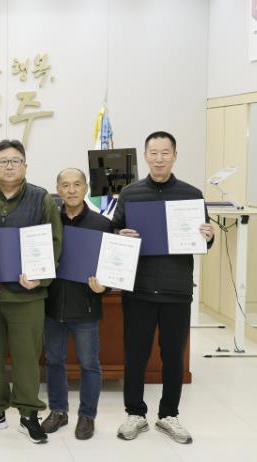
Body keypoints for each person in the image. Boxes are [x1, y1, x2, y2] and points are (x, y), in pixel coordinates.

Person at [112, 131, 214, 444]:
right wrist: (120, 235)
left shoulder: (191, 194)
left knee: (173, 355)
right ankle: (135, 414)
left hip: (176, 289)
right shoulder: (130, 193)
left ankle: (169, 415)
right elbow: (114, 231)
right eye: (153, 153)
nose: (159, 159)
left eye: (165, 153)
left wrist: (208, 235)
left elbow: (204, 239)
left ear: (175, 155)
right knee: (136, 353)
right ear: (145, 156)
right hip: (139, 288)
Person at [0, 139, 62, 444]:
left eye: (15, 160)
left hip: (27, 296)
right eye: (3, 161)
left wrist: (40, 278)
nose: (9, 166)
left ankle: (28, 414)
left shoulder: (41, 199)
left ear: (25, 166)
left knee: (26, 357)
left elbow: (55, 243)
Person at [40, 168, 111, 440]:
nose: (71, 190)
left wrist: (104, 286)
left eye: (77, 184)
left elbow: (111, 267)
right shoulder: (47, 223)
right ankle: (58, 411)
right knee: (54, 362)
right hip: (52, 306)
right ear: (57, 189)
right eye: (65, 185)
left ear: (86, 188)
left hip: (86, 307)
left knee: (89, 364)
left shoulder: (101, 224)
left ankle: (87, 416)